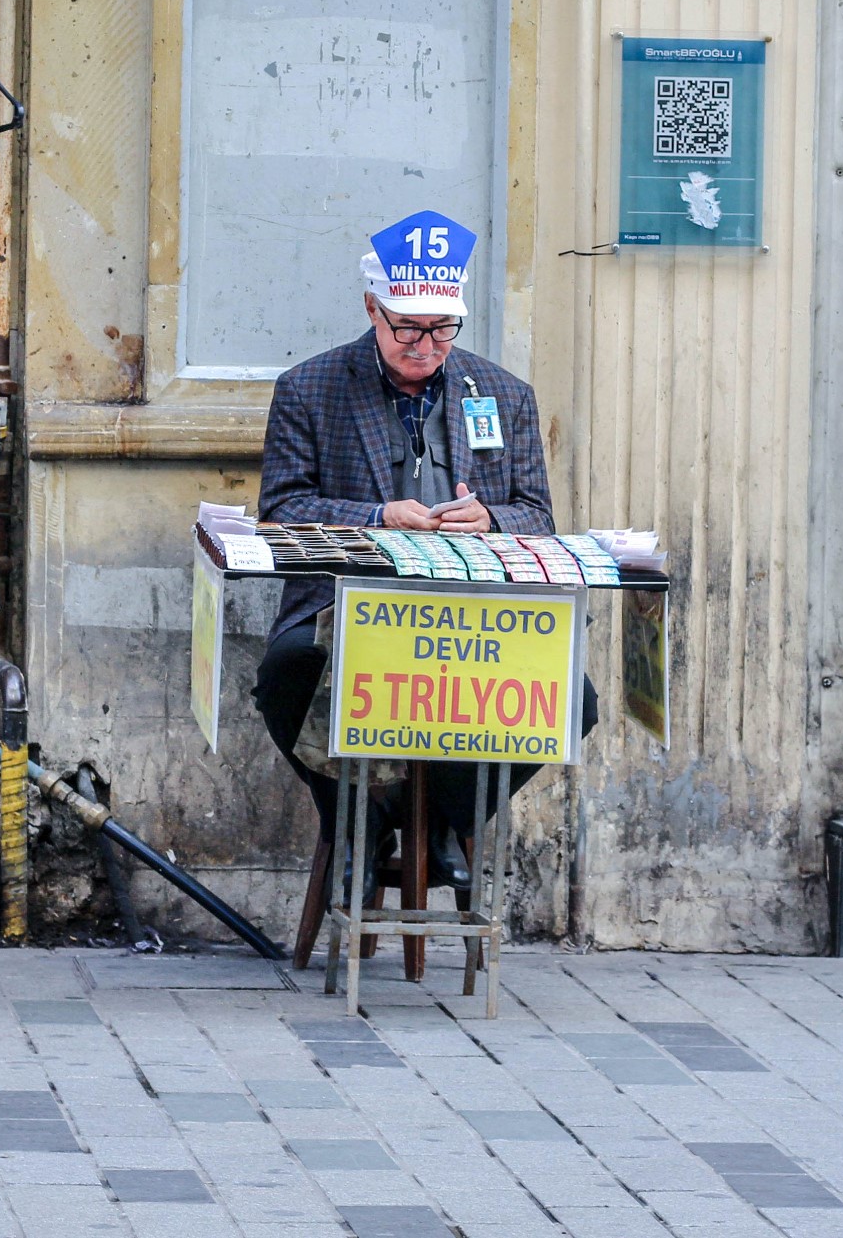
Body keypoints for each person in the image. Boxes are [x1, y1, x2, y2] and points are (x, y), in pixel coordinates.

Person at [252, 209, 597, 883]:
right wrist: (377, 514)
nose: (424, 344)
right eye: (407, 327)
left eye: (442, 328)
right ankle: (357, 812)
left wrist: (490, 519)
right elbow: (283, 509)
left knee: (571, 696)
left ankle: (442, 816)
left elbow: (538, 517)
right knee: (286, 672)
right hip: (345, 607)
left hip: (471, 614)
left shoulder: (504, 393)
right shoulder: (309, 388)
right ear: (371, 309)